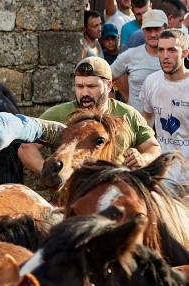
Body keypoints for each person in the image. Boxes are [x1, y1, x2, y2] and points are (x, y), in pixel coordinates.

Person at [18, 57, 161, 174]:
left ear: (109, 85)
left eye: (92, 87)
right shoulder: (58, 114)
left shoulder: (128, 114)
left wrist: (142, 158)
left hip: (115, 200)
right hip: (68, 202)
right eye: (79, 86)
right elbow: (27, 148)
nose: (84, 93)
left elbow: (153, 147)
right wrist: (49, 171)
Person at [142, 28, 189, 190]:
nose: (165, 55)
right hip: (163, 174)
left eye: (172, 50)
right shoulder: (151, 81)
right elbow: (147, 120)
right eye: (161, 50)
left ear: (185, 53)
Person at [111, 9, 167, 113]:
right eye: (148, 29)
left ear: (165, 28)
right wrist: (114, 106)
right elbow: (106, 76)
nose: (153, 34)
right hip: (137, 124)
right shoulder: (130, 55)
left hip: (167, 124)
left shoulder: (176, 56)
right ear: (142, 30)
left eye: (157, 29)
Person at [122, 0, 187, 50]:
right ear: (169, 19)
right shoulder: (138, 37)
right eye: (180, 21)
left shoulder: (179, 36)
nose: (152, 34)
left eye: (157, 29)